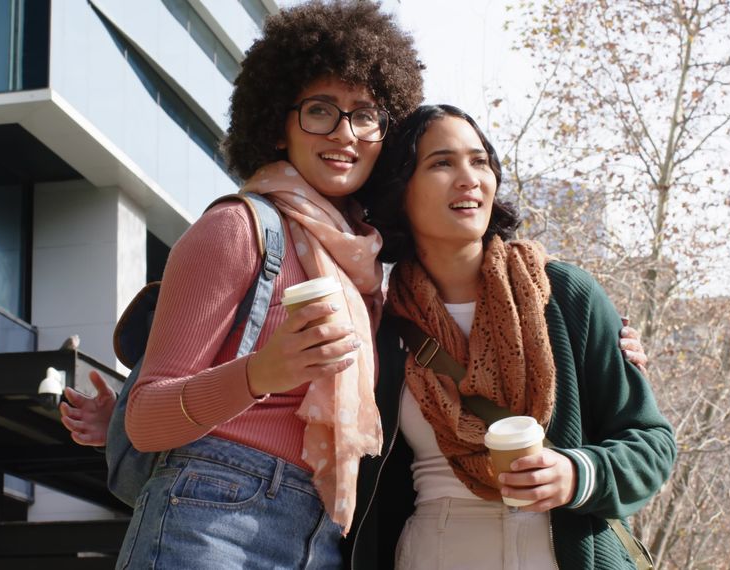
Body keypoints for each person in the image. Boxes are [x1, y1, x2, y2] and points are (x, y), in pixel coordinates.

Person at [65, 2, 424, 568]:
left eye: (365, 115)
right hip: (209, 517)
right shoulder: (237, 228)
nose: (344, 134)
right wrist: (264, 373)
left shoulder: (365, 265)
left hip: (322, 531)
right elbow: (147, 418)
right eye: (320, 111)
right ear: (277, 125)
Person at [346, 104, 677, 569]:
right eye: (442, 163)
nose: (469, 178)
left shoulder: (565, 296)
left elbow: (651, 441)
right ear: (401, 190)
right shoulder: (378, 324)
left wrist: (576, 474)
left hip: (560, 548)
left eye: (479, 161)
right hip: (434, 549)